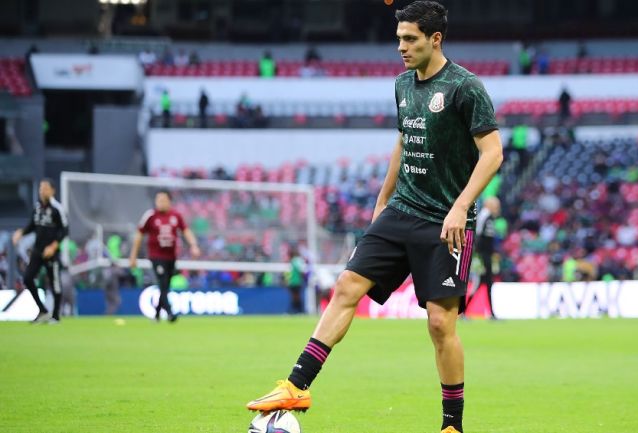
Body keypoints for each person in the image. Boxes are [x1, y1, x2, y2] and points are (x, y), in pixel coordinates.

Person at [245, 3, 503, 433]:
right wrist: (381, 202)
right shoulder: (403, 84)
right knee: (347, 285)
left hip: (446, 222)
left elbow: (492, 152)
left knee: (441, 324)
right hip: (402, 209)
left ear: (435, 39)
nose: (400, 46)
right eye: (399, 38)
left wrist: (460, 207)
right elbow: (403, 143)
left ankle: (451, 426)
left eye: (410, 39)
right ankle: (296, 385)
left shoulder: (465, 87)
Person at [128, 190, 200, 322]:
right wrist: (133, 256)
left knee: (165, 285)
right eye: (158, 200)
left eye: (163, 200)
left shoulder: (176, 216)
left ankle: (156, 313)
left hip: (171, 257)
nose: (160, 203)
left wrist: (193, 245)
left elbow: (186, 231)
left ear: (169, 201)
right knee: (162, 281)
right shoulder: (150, 216)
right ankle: (170, 312)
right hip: (156, 256)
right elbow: (139, 235)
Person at [11, 179, 68, 323]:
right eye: (41, 188)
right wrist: (21, 232)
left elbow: (65, 230)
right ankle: (42, 310)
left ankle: (55, 316)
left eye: (46, 188)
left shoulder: (57, 208)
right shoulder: (37, 208)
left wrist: (54, 246)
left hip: (51, 252)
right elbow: (32, 226)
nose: (43, 191)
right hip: (38, 250)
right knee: (27, 278)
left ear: (52, 190)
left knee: (55, 283)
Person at [467, 196, 501, 319]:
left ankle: (491, 313)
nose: (498, 208)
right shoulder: (484, 216)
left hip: (487, 256)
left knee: (486, 283)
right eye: (496, 206)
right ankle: (465, 311)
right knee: (480, 283)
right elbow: (478, 235)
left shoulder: (490, 218)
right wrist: (478, 256)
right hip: (482, 257)